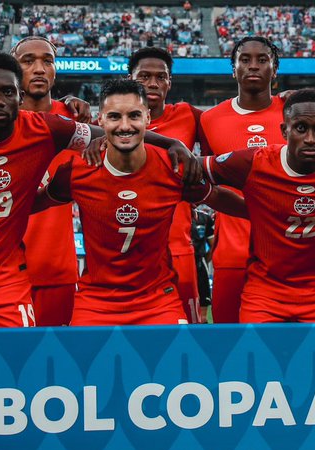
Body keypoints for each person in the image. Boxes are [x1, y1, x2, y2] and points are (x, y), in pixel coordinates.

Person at [0, 52, 195, 329]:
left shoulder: (45, 129)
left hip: (6, 276)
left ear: (20, 97)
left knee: (17, 369)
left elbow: (117, 131)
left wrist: (172, 143)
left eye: (7, 92)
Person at [37, 79, 243, 326]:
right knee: (84, 364)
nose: (125, 126)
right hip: (96, 301)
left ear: (147, 118)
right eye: (114, 117)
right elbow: (34, 204)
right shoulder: (76, 172)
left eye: (134, 116)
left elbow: (218, 198)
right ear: (99, 120)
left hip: (157, 300)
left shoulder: (172, 169)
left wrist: (271, 212)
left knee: (177, 363)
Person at [202, 89, 315, 323]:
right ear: (284, 131)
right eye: (300, 128)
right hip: (265, 294)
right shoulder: (255, 162)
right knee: (258, 357)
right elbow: (194, 169)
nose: (310, 138)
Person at [196, 36, 285, 323]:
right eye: (244, 60)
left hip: (286, 254)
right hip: (231, 254)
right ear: (233, 69)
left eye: (262, 60)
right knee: (230, 346)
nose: (253, 66)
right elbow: (209, 180)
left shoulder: (295, 113)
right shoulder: (210, 119)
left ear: (275, 69)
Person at [15, 36, 92, 327]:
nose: (38, 68)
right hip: (2, 274)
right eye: (28, 61)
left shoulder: (76, 123)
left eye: (47, 61)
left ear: (55, 69)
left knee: (58, 366)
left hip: (57, 269)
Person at [129, 46, 204, 322]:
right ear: (129, 79)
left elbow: (231, 118)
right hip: (126, 252)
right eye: (144, 76)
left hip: (178, 248)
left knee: (188, 342)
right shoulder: (110, 122)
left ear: (170, 82)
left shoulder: (187, 115)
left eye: (161, 77)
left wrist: (282, 99)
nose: (152, 83)